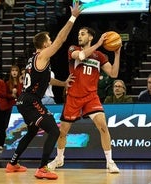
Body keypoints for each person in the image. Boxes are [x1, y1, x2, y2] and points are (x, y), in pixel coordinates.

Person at [5, 1, 82, 180]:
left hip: (26, 100)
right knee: (54, 131)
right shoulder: (43, 54)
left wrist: (63, 84)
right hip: (31, 101)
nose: (51, 42)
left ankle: (13, 163)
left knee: (32, 131)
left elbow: (46, 79)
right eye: (49, 40)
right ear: (44, 44)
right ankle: (42, 168)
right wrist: (73, 17)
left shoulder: (35, 59)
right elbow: (61, 40)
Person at [48, 27, 121, 173]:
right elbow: (81, 56)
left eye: (83, 34)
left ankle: (110, 161)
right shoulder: (72, 49)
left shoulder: (99, 56)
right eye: (78, 34)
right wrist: (99, 43)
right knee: (63, 132)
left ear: (90, 37)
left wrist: (117, 54)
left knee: (103, 127)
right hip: (73, 96)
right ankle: (59, 158)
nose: (79, 36)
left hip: (91, 97)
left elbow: (113, 73)